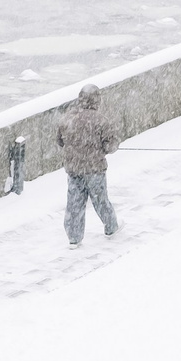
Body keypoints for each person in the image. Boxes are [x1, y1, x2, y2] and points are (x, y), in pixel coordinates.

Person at [55, 82, 121, 248]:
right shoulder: (101, 121)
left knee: (74, 204)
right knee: (100, 201)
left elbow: (60, 141)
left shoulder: (67, 119)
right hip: (94, 169)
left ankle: (74, 237)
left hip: (74, 168)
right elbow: (110, 145)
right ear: (96, 101)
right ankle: (111, 227)